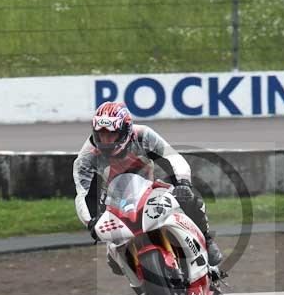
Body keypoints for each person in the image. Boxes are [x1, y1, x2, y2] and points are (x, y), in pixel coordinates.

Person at [73, 101, 223, 272]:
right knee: (114, 261)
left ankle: (207, 239)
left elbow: (172, 157)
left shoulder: (142, 135)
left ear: (125, 130)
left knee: (189, 198)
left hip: (149, 188)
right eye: (101, 135)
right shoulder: (87, 156)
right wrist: (91, 220)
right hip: (112, 200)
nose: (105, 140)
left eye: (111, 134)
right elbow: (83, 193)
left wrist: (182, 182)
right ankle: (142, 285)